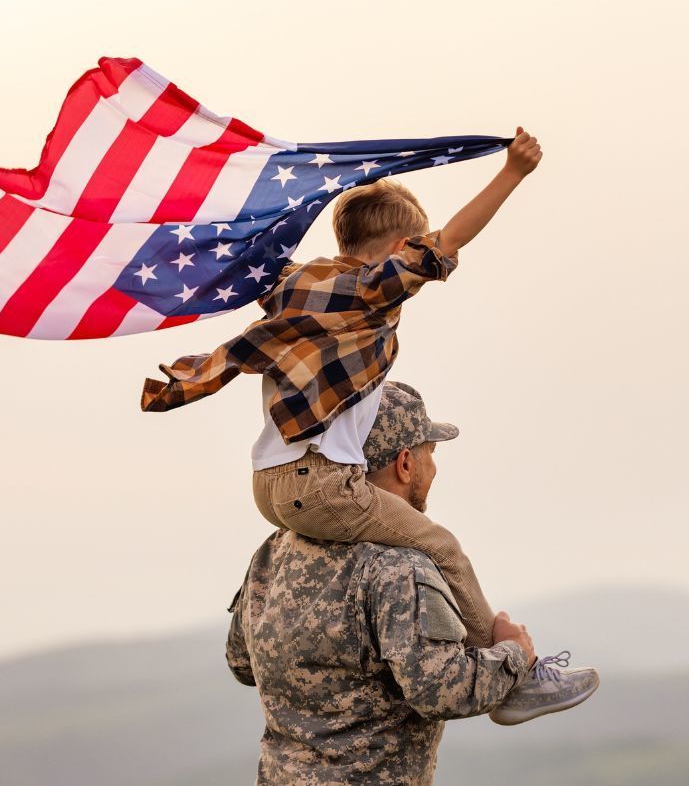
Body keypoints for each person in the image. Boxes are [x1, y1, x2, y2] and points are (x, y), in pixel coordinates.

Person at [145, 130, 541, 649]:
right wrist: (512, 173)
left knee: (364, 535)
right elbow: (448, 242)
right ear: (402, 249)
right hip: (320, 482)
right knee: (442, 547)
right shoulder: (371, 290)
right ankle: (507, 661)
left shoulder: (299, 282)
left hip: (268, 483)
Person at [226, 384, 600, 784]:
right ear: (405, 463)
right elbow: (440, 688)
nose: (434, 469)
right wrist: (514, 655)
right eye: (430, 455)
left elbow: (242, 663)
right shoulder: (398, 567)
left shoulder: (273, 552)